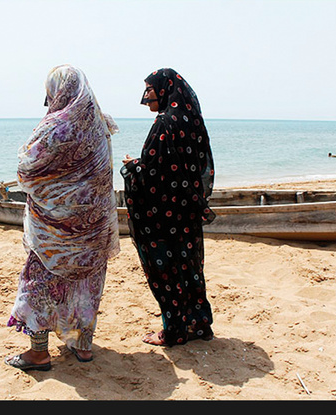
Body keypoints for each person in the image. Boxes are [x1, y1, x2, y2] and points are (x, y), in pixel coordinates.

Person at [5, 65, 120, 371]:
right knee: (86, 286)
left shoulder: (56, 126)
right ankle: (82, 347)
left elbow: (27, 170)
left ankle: (38, 353)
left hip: (54, 232)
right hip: (94, 228)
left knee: (39, 283)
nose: (46, 99)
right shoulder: (100, 124)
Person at [121, 68, 216, 347]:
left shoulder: (164, 123)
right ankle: (198, 324)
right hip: (187, 211)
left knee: (168, 270)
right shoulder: (192, 121)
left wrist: (131, 167)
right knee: (189, 267)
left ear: (164, 90)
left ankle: (173, 331)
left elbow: (152, 172)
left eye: (150, 89)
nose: (145, 96)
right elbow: (197, 167)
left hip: (164, 214)